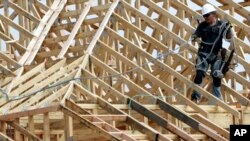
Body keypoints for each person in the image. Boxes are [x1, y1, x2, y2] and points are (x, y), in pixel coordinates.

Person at [191, 3, 232, 103]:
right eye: (204, 16)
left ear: (213, 14)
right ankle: (195, 96)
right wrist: (194, 37)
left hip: (216, 54)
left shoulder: (222, 25)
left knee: (216, 75)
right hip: (204, 53)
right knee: (199, 73)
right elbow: (195, 35)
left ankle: (217, 99)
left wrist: (229, 30)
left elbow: (229, 39)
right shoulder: (202, 26)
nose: (205, 18)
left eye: (207, 15)